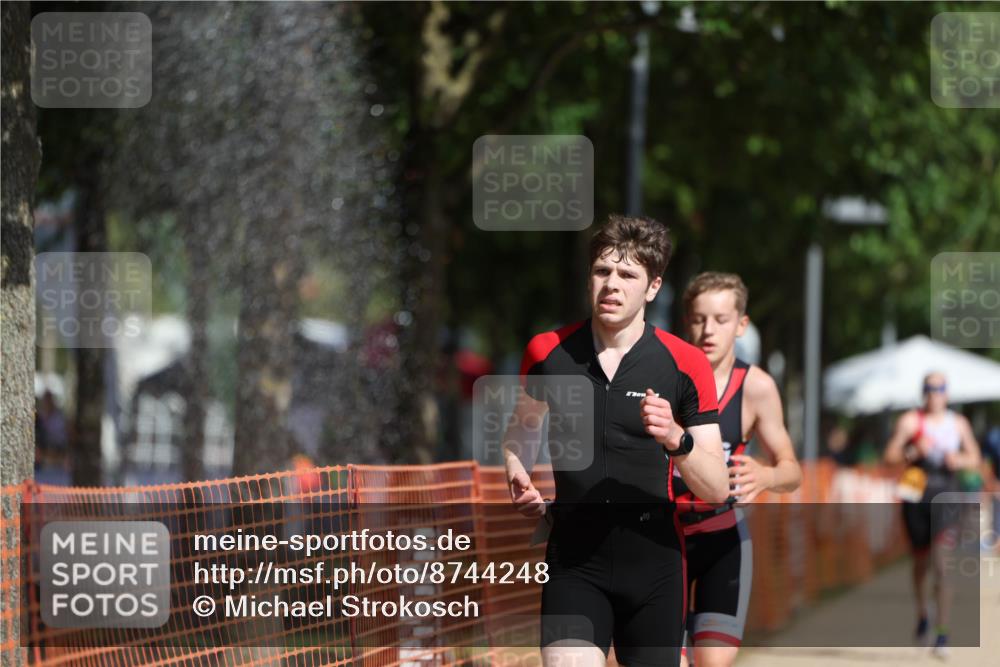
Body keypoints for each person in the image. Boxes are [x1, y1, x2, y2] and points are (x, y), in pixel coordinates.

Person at [503, 215, 728, 667]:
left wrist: (674, 437)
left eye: (627, 275)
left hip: (655, 569)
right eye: (603, 271)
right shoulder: (548, 353)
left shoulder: (683, 364)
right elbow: (522, 430)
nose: (612, 284)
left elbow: (717, 487)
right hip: (574, 564)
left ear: (652, 287)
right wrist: (517, 472)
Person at [675, 272, 802, 667]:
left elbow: (791, 469)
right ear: (686, 322)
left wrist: (766, 476)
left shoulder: (756, 387)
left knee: (714, 662)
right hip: (663, 538)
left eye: (721, 319)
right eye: (698, 319)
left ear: (741, 324)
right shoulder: (663, 377)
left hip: (723, 537)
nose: (707, 330)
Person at [883, 372, 981, 658]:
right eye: (929, 388)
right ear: (922, 392)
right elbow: (888, 455)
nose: (934, 394)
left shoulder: (958, 423)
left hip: (947, 494)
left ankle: (942, 633)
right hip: (915, 492)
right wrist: (911, 451)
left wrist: (959, 459)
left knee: (942, 563)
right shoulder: (910, 421)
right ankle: (923, 613)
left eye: (939, 389)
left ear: (947, 393)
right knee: (920, 562)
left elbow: (974, 457)